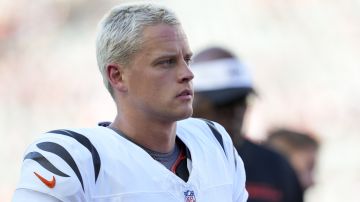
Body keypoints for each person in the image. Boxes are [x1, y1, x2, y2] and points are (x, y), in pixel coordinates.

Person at [12, 3, 248, 202]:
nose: (187, 73)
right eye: (166, 62)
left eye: (187, 59)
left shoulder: (215, 142)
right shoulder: (72, 159)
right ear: (117, 75)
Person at [191, 47, 303, 202]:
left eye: (242, 101)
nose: (236, 113)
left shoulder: (275, 166)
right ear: (191, 102)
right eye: (223, 104)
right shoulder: (164, 165)